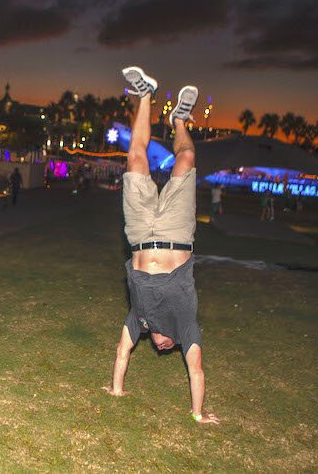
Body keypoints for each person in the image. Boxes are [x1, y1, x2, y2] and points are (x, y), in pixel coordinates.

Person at [103, 66, 219, 424]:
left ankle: (143, 94)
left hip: (138, 233)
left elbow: (123, 351)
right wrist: (198, 415)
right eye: (169, 348)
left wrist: (117, 389)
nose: (162, 347)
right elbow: (196, 371)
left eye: (159, 346)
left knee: (135, 159)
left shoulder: (139, 319)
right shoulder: (186, 325)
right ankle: (180, 121)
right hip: (177, 231)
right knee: (185, 160)